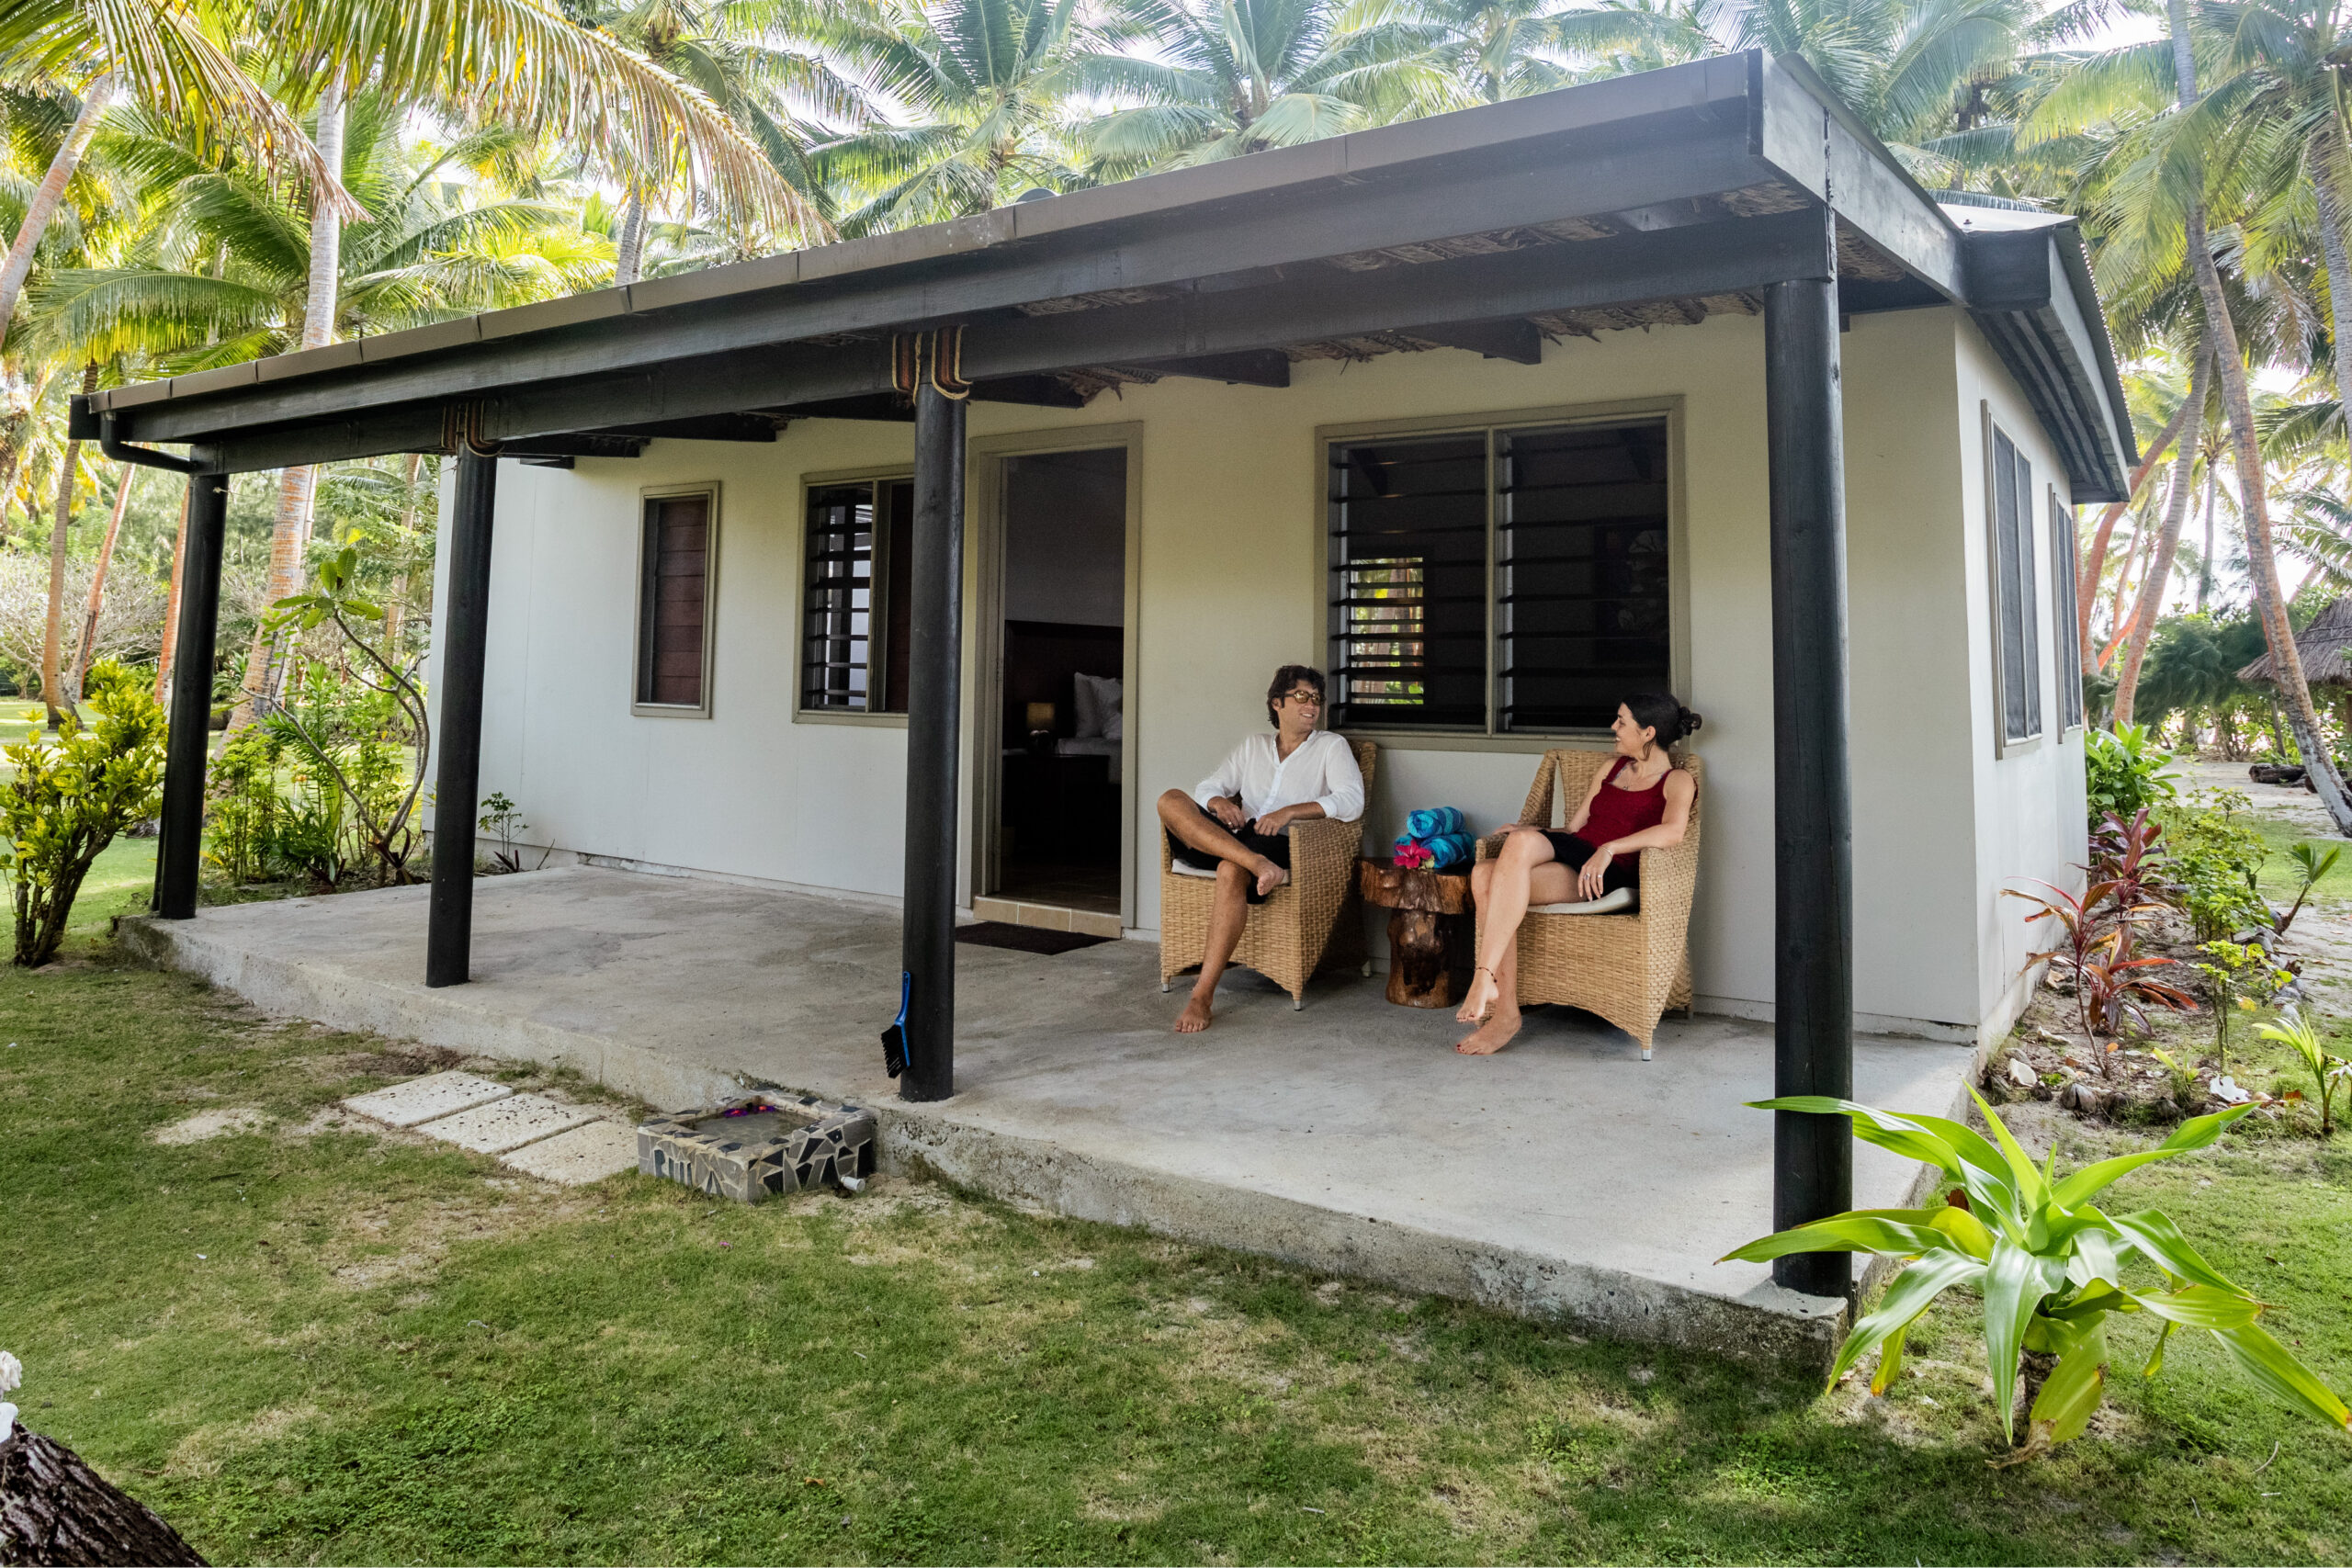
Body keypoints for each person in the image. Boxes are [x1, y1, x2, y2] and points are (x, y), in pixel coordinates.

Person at [1454, 694, 1701, 1055]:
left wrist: (1610, 849)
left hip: (1608, 872)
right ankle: (1499, 1001)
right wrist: (1527, 831)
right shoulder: (1612, 769)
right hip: (1578, 851)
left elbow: (1673, 832)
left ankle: (1491, 990)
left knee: (1487, 877)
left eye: (1622, 722)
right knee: (1486, 868)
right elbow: (1573, 829)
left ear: (1648, 732)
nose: (1613, 728)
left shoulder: (1677, 779)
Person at [1158, 665, 1364, 1033]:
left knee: (1230, 869)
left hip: (1284, 842)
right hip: (1239, 838)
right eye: (1302, 696)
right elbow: (1209, 786)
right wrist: (1220, 803)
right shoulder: (1253, 746)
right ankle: (1256, 864)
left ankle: (1202, 996)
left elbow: (1352, 801)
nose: (1312, 705)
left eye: (1316, 699)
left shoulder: (1331, 747)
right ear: (1277, 703)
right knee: (1170, 799)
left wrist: (1289, 812)